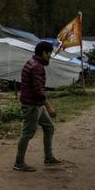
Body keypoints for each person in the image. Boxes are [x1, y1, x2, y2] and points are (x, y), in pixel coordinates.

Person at [13, 41, 62, 171]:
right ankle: (19, 162)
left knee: (49, 127)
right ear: (44, 52)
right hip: (32, 105)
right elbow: (38, 90)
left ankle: (49, 157)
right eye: (49, 53)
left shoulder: (32, 62)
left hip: (34, 104)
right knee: (27, 133)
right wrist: (49, 106)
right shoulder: (37, 67)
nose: (50, 56)